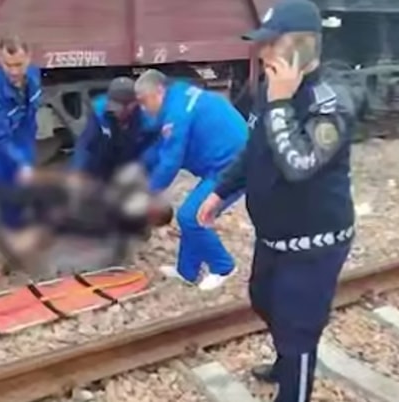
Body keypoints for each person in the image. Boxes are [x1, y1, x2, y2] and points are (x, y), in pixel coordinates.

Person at [197, 1, 356, 401]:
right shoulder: (269, 89)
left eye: (272, 43)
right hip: (274, 237)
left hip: (314, 242)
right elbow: (253, 149)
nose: (263, 52)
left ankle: (293, 377)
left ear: (304, 45)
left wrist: (282, 103)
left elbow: (297, 164)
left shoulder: (330, 103)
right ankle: (288, 357)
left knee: (297, 328)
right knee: (264, 300)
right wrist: (220, 191)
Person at [134, 69, 248, 291]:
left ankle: (223, 267)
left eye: (144, 101)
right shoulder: (176, 95)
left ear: (159, 91)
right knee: (190, 214)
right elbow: (157, 146)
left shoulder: (177, 114)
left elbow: (170, 161)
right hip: (222, 162)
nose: (143, 108)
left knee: (192, 216)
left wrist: (148, 193)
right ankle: (187, 271)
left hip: (234, 167)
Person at [0, 35, 42, 229]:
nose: (14, 71)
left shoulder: (34, 76)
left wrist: (28, 159)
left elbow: (30, 119)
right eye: (7, 65)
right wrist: (21, 163)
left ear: (29, 57)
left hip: (21, 139)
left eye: (19, 65)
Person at [70, 76, 159, 182]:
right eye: (112, 106)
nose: (114, 112)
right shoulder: (100, 112)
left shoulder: (147, 118)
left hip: (133, 163)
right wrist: (77, 173)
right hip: (105, 161)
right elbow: (85, 145)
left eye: (119, 108)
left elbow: (155, 147)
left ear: (132, 105)